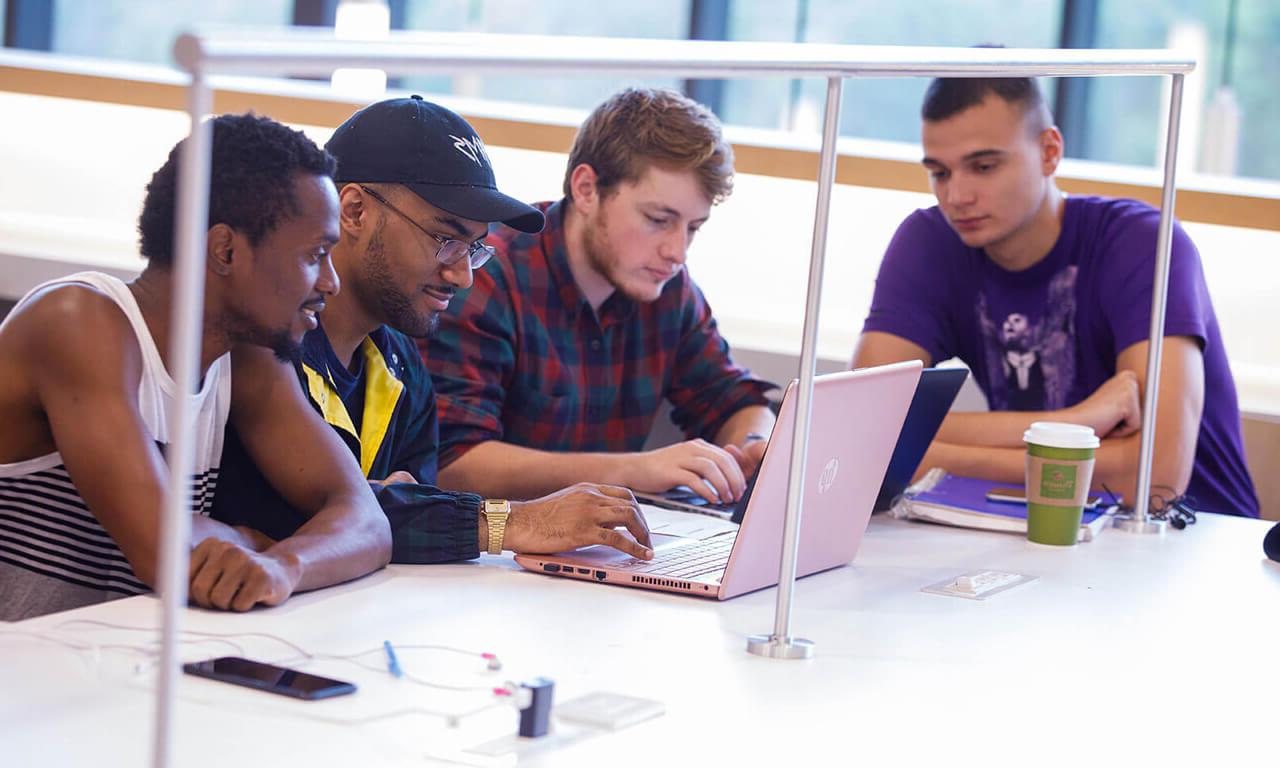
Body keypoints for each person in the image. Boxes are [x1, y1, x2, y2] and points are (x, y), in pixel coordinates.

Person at [210, 96, 653, 563]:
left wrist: (400, 509)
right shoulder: (263, 341)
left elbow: (403, 523)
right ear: (355, 211)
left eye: (475, 248)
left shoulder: (401, 367)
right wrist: (515, 521)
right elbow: (309, 522)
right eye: (445, 240)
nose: (463, 275)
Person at [0, 114, 393, 622]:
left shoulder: (244, 356)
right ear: (225, 249)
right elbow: (166, 553)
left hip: (115, 675)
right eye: (316, 255)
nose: (331, 282)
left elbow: (367, 522)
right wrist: (245, 537)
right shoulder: (78, 322)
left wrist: (284, 565)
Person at [853, 75, 1259, 517]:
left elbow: (1150, 480)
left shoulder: (1142, 244)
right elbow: (857, 429)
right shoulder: (930, 242)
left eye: (984, 167)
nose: (957, 196)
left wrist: (920, 454)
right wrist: (1079, 422)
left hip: (1194, 538)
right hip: (1041, 527)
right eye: (940, 172)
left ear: (1049, 152)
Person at [424, 87, 777, 505]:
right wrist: (634, 471)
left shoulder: (665, 285)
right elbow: (450, 465)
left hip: (606, 546)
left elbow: (732, 399)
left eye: (693, 227)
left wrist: (754, 444)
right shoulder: (484, 277)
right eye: (658, 219)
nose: (677, 251)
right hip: (493, 554)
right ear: (587, 189)